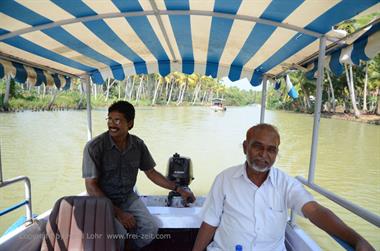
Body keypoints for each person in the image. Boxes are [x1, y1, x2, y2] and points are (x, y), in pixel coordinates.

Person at [193, 123, 374, 251]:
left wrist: (356, 240)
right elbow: (210, 222)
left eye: (271, 149)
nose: (264, 154)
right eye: (258, 147)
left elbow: (315, 211)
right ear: (245, 147)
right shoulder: (224, 180)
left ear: (276, 153)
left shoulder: (286, 184)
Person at [82, 100, 195, 250]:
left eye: (117, 120)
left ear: (130, 123)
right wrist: (119, 213)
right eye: (109, 119)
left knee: (150, 228)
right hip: (102, 201)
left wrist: (179, 189)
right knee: (117, 234)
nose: (111, 124)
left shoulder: (138, 145)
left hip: (128, 197)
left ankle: (130, 247)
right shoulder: (95, 147)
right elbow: (91, 186)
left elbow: (151, 173)